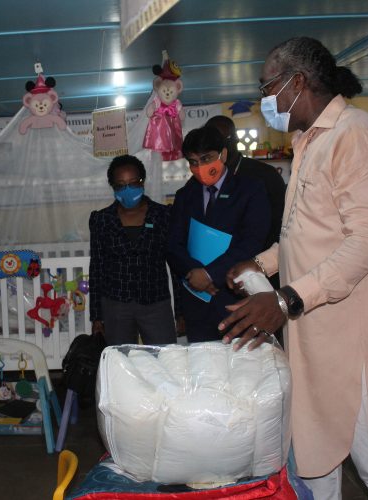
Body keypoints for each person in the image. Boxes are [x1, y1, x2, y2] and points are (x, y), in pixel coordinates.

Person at [220, 37, 368, 499]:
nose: (263, 100)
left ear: (297, 83)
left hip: (356, 345)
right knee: (313, 469)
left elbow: (366, 242)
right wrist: (261, 263)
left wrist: (286, 298)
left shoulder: (356, 134)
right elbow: (307, 231)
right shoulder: (308, 142)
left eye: (266, 87)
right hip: (314, 337)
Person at [167, 126, 270, 342]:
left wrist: (210, 274)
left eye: (206, 159)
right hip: (196, 299)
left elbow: (252, 241)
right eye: (193, 162)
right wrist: (194, 274)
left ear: (223, 154)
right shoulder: (185, 195)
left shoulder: (250, 190)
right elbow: (173, 244)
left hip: (235, 297)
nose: (200, 167)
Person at [89, 154, 180, 346]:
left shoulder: (163, 215)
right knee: (121, 364)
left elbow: (176, 265)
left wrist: (180, 312)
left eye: (133, 183)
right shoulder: (101, 219)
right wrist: (96, 316)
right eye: (121, 185)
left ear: (142, 181)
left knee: (165, 360)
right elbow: (97, 268)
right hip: (116, 306)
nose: (127, 189)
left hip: (155, 303)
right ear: (113, 187)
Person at [205, 115, 286, 252]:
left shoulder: (265, 175)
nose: (217, 144)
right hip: (214, 261)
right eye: (211, 139)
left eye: (223, 139)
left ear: (237, 139)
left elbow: (280, 223)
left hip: (260, 261)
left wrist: (261, 261)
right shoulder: (203, 176)